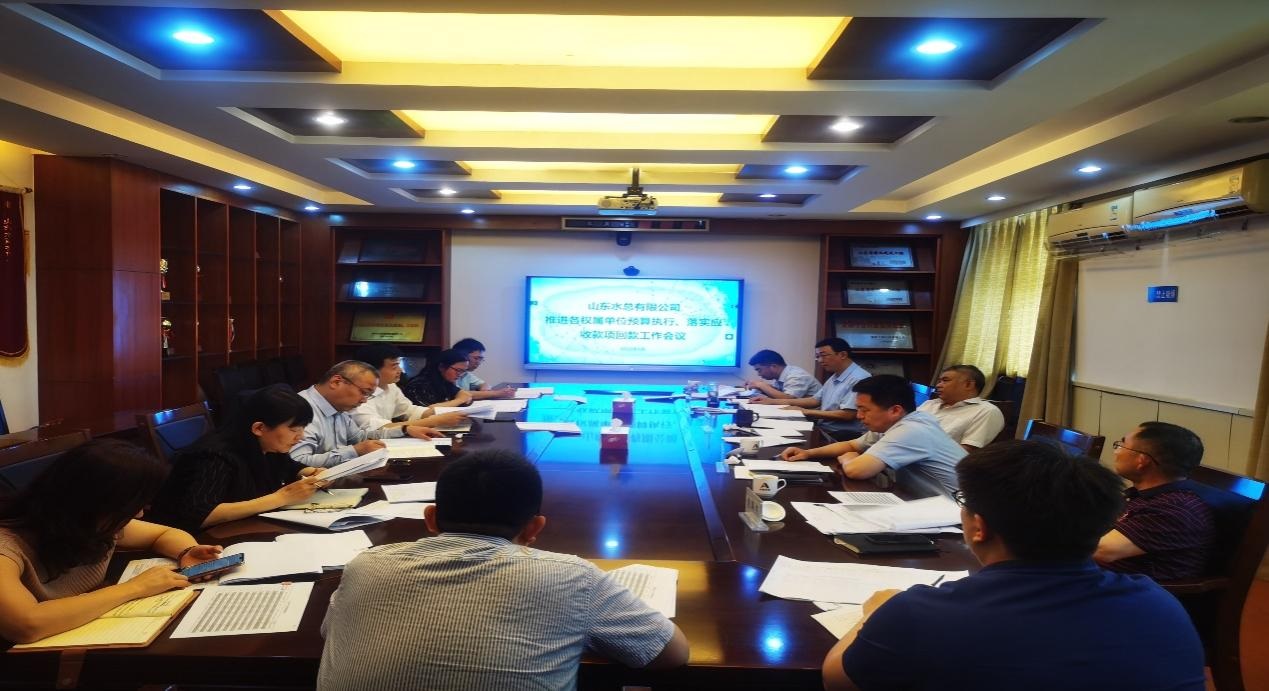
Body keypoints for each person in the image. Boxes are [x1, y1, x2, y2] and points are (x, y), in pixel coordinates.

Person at [822, 440, 1206, 691]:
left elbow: (837, 679)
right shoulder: (1162, 607)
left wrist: (874, 613)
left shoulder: (919, 613)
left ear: (979, 526)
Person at [317, 448, 689, 690]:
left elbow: (330, 634)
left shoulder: (366, 565)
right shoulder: (572, 578)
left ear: (430, 518)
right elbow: (671, 654)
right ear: (534, 528)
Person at [0, 440, 222, 644]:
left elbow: (164, 533)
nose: (139, 514)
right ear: (92, 502)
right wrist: (135, 587)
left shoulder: (93, 524)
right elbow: (26, 624)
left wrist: (186, 552)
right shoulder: (8, 547)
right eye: (130, 506)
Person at [148, 385, 331, 532]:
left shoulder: (267, 445)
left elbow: (288, 467)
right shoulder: (214, 456)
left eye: (303, 428)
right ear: (259, 428)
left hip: (246, 528)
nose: (301, 436)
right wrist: (281, 498)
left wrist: (311, 473)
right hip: (199, 540)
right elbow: (199, 514)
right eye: (294, 429)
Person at [780, 374, 965, 496]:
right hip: (925, 503)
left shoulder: (912, 430)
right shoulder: (895, 423)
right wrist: (808, 453)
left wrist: (848, 458)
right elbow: (851, 445)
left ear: (895, 410)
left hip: (958, 514)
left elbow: (856, 470)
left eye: (864, 410)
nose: (859, 416)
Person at [1094, 421, 1216, 580]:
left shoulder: (1173, 510)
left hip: (1130, 590)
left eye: (1121, 445)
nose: (1116, 452)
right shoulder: (1143, 495)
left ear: (1142, 461)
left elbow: (1100, 551)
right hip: (1102, 579)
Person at [293, 360, 443, 468]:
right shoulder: (301, 409)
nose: (364, 400)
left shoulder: (338, 407)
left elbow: (359, 437)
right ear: (336, 382)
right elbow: (297, 462)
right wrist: (355, 451)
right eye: (364, 392)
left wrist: (404, 430)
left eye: (368, 396)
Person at [753, 337, 869, 440]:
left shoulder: (858, 378)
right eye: (817, 357)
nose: (820, 361)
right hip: (824, 428)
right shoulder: (836, 375)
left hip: (842, 434)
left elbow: (848, 414)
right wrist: (772, 402)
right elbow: (815, 400)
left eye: (823, 355)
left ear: (842, 355)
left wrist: (806, 411)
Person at [350, 344, 469, 432]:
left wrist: (452, 414)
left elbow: (410, 411)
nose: (400, 370)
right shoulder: (357, 395)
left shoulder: (390, 386)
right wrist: (436, 421)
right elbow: (380, 429)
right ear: (371, 369)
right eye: (394, 367)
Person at [917, 365, 1005, 451]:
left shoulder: (986, 411)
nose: (938, 385)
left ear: (968, 385)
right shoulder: (930, 403)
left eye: (945, 380)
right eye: (939, 381)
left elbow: (965, 452)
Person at [401, 349, 476, 408]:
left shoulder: (444, 380)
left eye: (463, 371)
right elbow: (428, 412)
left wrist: (461, 397)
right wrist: (459, 400)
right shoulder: (418, 385)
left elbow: (463, 394)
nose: (460, 375)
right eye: (458, 370)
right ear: (441, 367)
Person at [742, 349, 821, 399]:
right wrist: (761, 388)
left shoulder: (797, 376)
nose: (758, 374)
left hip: (812, 418)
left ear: (773, 366)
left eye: (759, 370)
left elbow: (788, 399)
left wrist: (761, 385)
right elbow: (778, 394)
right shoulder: (781, 375)